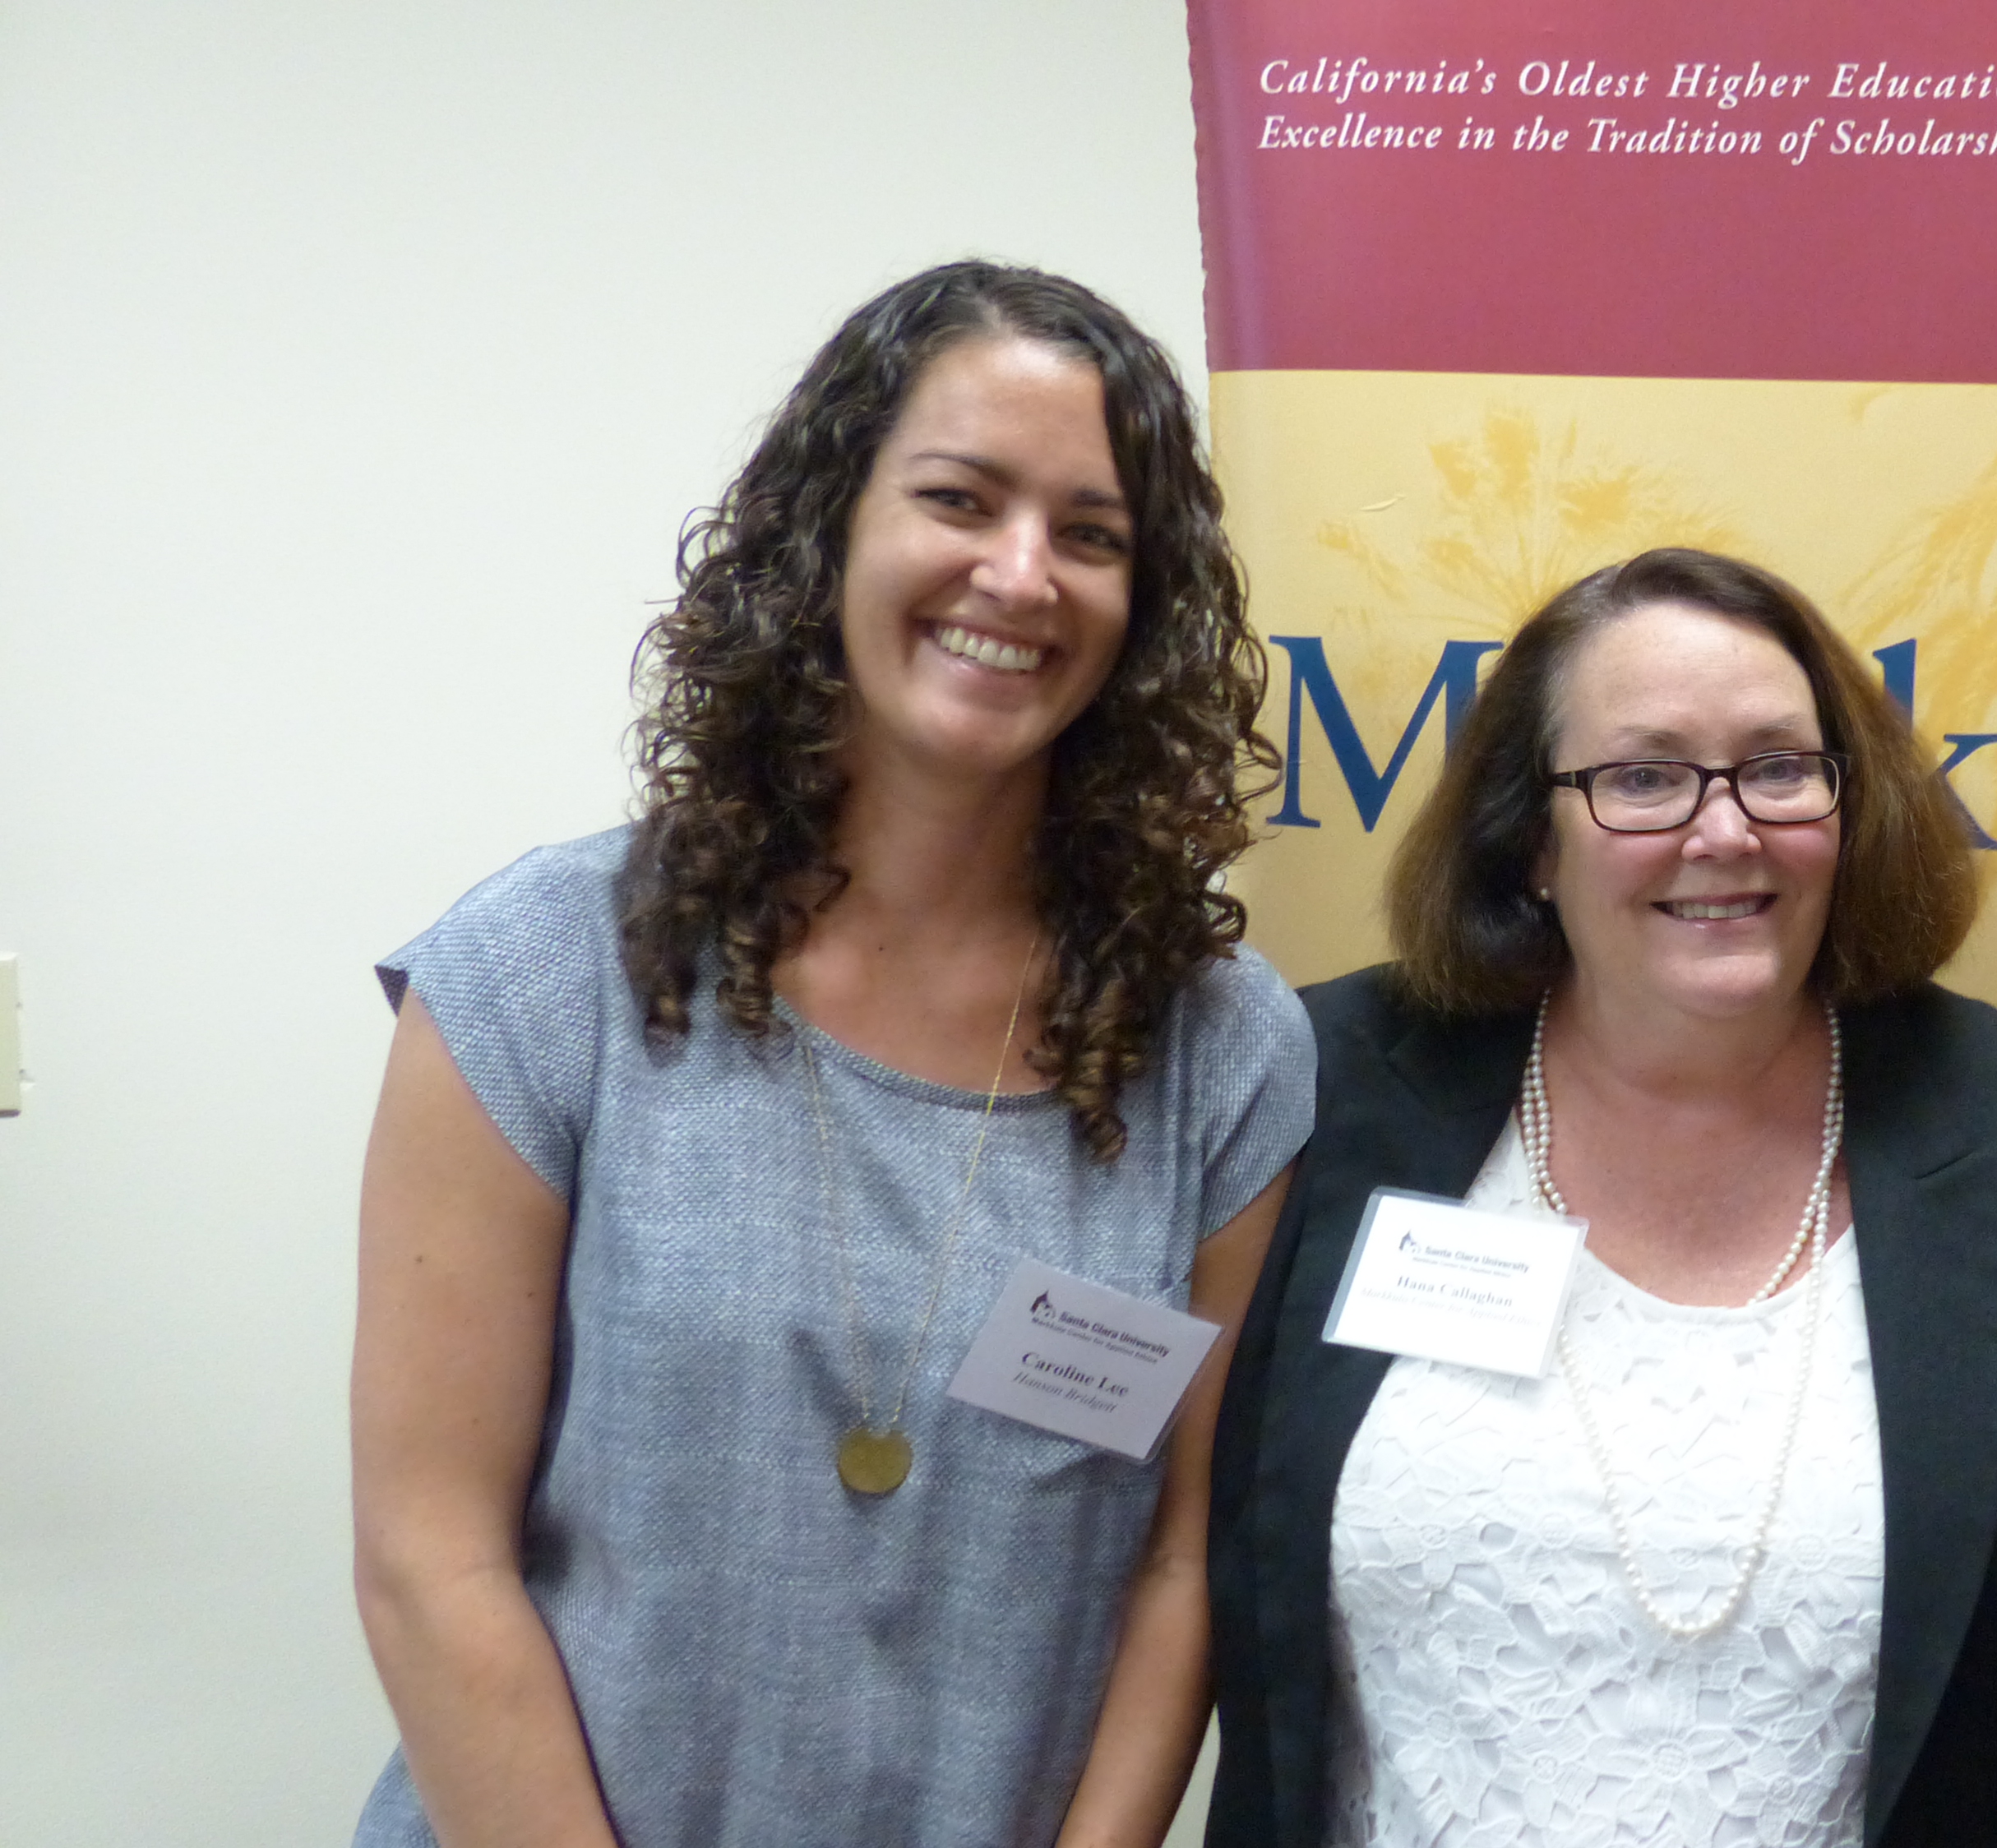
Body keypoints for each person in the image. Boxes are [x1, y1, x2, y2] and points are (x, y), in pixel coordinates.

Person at [349, 261, 1312, 1848]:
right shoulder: (545, 970)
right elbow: (428, 1554)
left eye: (1091, 534)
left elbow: (1181, 1568)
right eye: (960, 498)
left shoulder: (1221, 1052)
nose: (1021, 575)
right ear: (830, 532)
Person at [1205, 547, 1997, 1847]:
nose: (1726, 828)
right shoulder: (1331, 1089)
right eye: (1642, 776)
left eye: (1778, 767)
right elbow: (1171, 1540)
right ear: (1530, 838)